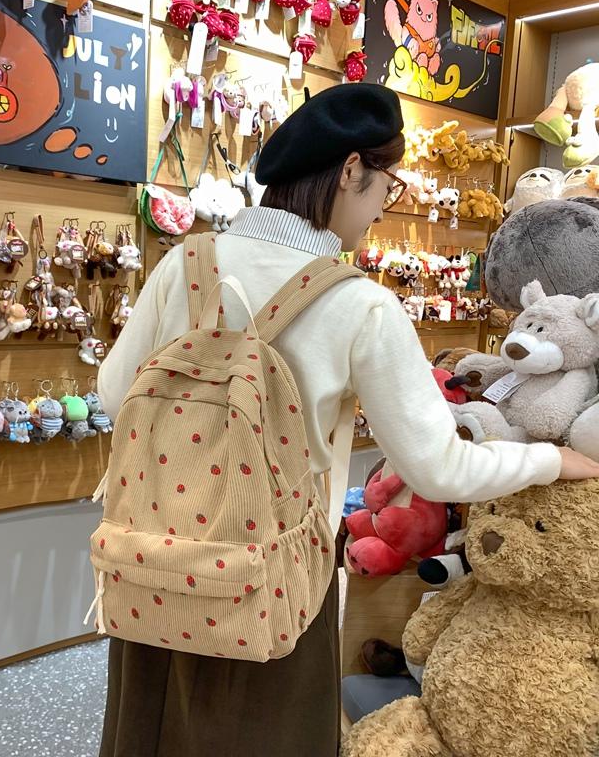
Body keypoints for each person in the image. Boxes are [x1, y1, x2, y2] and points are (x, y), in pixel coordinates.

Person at [95, 84, 599, 757]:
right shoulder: (359, 304)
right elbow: (437, 466)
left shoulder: (183, 264)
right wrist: (551, 460)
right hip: (274, 574)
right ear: (352, 170)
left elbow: (111, 396)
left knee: (150, 729)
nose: (381, 208)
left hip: (156, 550)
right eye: (386, 185)